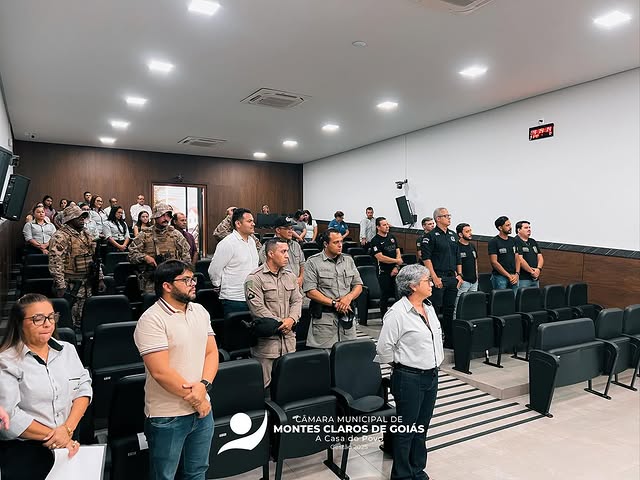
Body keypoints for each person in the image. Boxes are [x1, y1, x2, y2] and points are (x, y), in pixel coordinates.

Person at [134, 260, 218, 480]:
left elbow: (211, 353)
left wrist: (204, 387)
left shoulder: (200, 311)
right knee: (164, 476)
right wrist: (198, 399)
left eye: (193, 278)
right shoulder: (151, 319)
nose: (193, 283)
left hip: (202, 409)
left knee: (197, 472)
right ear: (167, 286)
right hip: (168, 415)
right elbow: (161, 372)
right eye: (186, 280)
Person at [0, 294, 91, 480]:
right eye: (38, 319)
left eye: (51, 317)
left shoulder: (67, 350)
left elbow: (83, 388)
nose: (48, 324)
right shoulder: (6, 361)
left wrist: (67, 429)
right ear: (19, 323)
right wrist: (58, 437)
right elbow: (9, 417)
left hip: (68, 441)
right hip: (26, 452)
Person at [375, 264, 444, 480]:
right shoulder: (397, 313)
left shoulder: (429, 307)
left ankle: (417, 470)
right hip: (408, 377)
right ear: (413, 286)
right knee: (406, 430)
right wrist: (401, 365)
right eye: (427, 281)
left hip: (431, 375)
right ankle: (402, 475)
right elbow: (383, 349)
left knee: (421, 428)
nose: (431, 283)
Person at [246, 238, 303, 386]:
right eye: (283, 252)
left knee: (288, 385)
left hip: (288, 342)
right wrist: (282, 323)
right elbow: (257, 308)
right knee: (265, 387)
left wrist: (291, 319)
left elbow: (297, 300)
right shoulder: (254, 278)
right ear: (271, 254)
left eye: (287, 251)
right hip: (267, 345)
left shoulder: (290, 276)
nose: (287, 255)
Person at [303, 228, 362, 349]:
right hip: (325, 321)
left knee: (347, 354)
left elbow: (358, 285)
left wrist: (348, 298)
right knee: (326, 357)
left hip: (346, 319)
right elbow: (310, 291)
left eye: (341, 241)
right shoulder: (313, 262)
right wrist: (335, 303)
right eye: (336, 242)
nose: (340, 245)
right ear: (326, 244)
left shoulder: (348, 260)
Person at [49, 205, 105, 328]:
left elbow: (94, 258)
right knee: (69, 320)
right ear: (69, 219)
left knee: (86, 319)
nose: (82, 219)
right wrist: (61, 285)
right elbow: (55, 262)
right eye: (78, 217)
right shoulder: (60, 236)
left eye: (83, 216)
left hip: (87, 283)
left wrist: (100, 278)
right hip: (70, 285)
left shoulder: (86, 234)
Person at [128, 204, 191, 293]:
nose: (166, 218)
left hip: (173, 279)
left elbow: (186, 258)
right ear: (155, 217)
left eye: (168, 215)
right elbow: (131, 255)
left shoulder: (176, 234)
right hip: (151, 280)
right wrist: (145, 257)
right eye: (162, 215)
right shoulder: (144, 235)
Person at [208, 208, 259, 316]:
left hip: (253, 297)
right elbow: (214, 270)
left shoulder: (252, 241)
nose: (253, 224)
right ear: (238, 224)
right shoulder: (228, 243)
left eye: (253, 221)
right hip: (234, 299)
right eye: (249, 221)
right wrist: (218, 285)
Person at [421, 207, 459, 348]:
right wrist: (434, 277)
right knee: (434, 309)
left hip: (451, 277)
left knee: (449, 310)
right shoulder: (430, 236)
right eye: (446, 216)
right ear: (438, 219)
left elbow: (457, 256)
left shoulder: (453, 235)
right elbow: (426, 258)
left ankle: (449, 340)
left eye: (449, 215)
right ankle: (433, 340)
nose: (449, 218)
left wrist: (459, 275)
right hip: (438, 276)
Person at [370, 217, 403, 317]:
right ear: (378, 227)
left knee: (398, 294)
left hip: (395, 270)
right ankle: (384, 317)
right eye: (384, 225)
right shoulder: (375, 240)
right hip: (383, 271)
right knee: (385, 295)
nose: (387, 226)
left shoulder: (392, 237)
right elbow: (380, 257)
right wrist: (396, 261)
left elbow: (397, 251)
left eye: (387, 224)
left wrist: (396, 266)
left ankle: (397, 316)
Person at [259, 216, 305, 287]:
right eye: (287, 229)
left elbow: (302, 263)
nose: (291, 231)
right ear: (278, 230)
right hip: (278, 286)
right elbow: (268, 270)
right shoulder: (268, 247)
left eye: (291, 228)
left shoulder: (296, 245)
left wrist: (301, 278)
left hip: (296, 285)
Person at [488, 216, 520, 294]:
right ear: (500, 228)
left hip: (514, 276)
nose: (510, 227)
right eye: (507, 225)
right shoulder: (494, 242)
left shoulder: (513, 240)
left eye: (510, 225)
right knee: (501, 299)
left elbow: (517, 258)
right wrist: (508, 276)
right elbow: (494, 262)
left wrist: (517, 274)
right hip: (500, 277)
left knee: (513, 299)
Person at [454, 223, 478, 319]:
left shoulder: (472, 246)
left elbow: (475, 261)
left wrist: (477, 276)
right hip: (463, 281)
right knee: (457, 307)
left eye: (470, 231)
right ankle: (456, 325)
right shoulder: (455, 246)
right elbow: (453, 264)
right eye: (467, 231)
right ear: (460, 234)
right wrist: (458, 278)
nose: (470, 233)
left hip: (474, 281)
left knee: (471, 306)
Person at [515, 220, 544, 288]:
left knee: (535, 294)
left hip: (535, 277)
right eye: (526, 228)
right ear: (519, 230)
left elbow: (540, 257)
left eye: (529, 227)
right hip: (523, 279)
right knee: (522, 295)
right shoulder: (515, 241)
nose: (529, 229)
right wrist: (532, 272)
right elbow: (520, 260)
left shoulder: (532, 241)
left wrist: (538, 269)